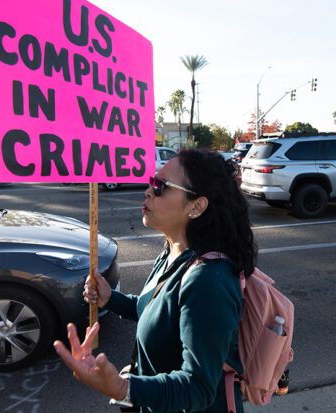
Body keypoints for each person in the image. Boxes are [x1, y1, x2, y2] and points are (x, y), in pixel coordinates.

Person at [54, 149, 257, 412]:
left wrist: (123, 388)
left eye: (161, 186)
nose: (148, 191)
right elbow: (158, 311)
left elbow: (198, 387)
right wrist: (111, 299)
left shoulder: (208, 280)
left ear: (196, 206)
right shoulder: (173, 251)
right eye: (152, 181)